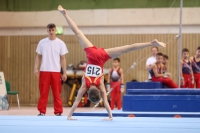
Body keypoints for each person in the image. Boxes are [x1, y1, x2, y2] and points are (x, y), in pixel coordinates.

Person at [58, 5, 166, 120]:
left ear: (97, 91)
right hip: (92, 54)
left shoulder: (100, 85)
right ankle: (65, 14)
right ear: (88, 91)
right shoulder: (85, 85)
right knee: (78, 33)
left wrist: (111, 117)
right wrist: (69, 116)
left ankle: (151, 43)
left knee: (127, 48)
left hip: (102, 57)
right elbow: (78, 100)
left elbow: (105, 102)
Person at [34, 23, 68, 116]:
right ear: (47, 31)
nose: (51, 32)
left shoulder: (61, 43)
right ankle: (41, 111)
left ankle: (58, 111)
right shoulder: (42, 42)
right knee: (43, 92)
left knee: (57, 93)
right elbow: (38, 56)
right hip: (44, 70)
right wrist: (35, 68)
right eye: (49, 30)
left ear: (55, 30)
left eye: (53, 30)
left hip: (56, 71)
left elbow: (63, 58)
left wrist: (64, 72)